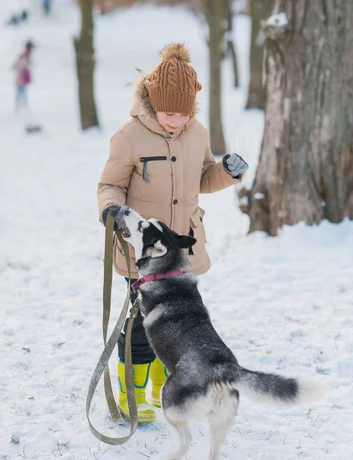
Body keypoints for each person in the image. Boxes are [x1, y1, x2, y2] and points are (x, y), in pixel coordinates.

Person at [97, 43, 249, 423]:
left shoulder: (196, 133)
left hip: (182, 253)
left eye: (184, 113)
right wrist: (111, 210)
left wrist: (227, 172)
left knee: (176, 330)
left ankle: (161, 390)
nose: (176, 120)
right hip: (142, 254)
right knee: (137, 329)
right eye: (169, 112)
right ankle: (131, 395)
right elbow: (109, 185)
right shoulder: (129, 137)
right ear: (151, 101)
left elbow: (203, 178)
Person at [12, 41, 35, 110]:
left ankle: (19, 105)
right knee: (22, 92)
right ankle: (23, 105)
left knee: (20, 92)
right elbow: (25, 68)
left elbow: (14, 67)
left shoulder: (20, 61)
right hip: (22, 79)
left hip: (20, 79)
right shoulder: (24, 61)